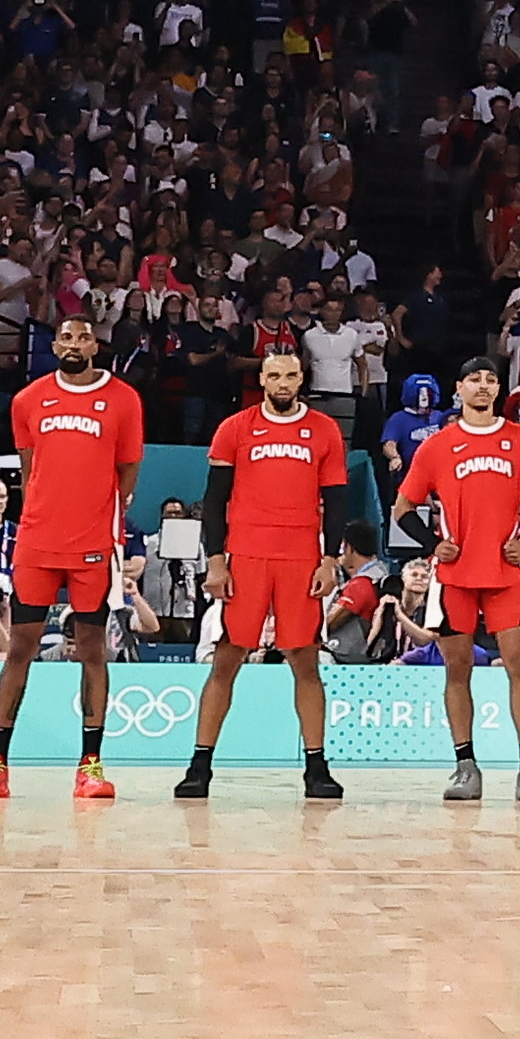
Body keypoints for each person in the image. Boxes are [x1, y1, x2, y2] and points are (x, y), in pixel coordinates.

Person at [0, 312, 144, 801]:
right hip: (38, 542)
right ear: (55, 346)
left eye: (84, 337)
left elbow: (129, 469)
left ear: (96, 345)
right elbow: (31, 473)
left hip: (93, 543)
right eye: (66, 337)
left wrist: (105, 521)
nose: (74, 343)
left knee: (92, 649)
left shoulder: (124, 399)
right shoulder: (28, 400)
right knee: (21, 648)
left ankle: (90, 766)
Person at [175, 341, 349, 803]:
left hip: (300, 558)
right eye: (274, 377)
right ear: (262, 380)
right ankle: (199, 765)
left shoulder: (325, 431)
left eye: (290, 377)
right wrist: (215, 559)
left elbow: (336, 502)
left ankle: (316, 768)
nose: (283, 385)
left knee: (305, 661)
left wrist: (330, 559)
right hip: (246, 556)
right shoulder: (235, 428)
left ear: (301, 380)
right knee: (227, 658)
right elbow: (214, 499)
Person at [393, 358, 520, 801]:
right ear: (459, 388)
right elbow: (402, 509)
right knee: (457, 671)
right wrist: (433, 543)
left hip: (506, 574)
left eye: (491, 380)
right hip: (455, 577)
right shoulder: (436, 446)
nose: (483, 387)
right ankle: (465, 766)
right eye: (475, 380)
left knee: (519, 668)